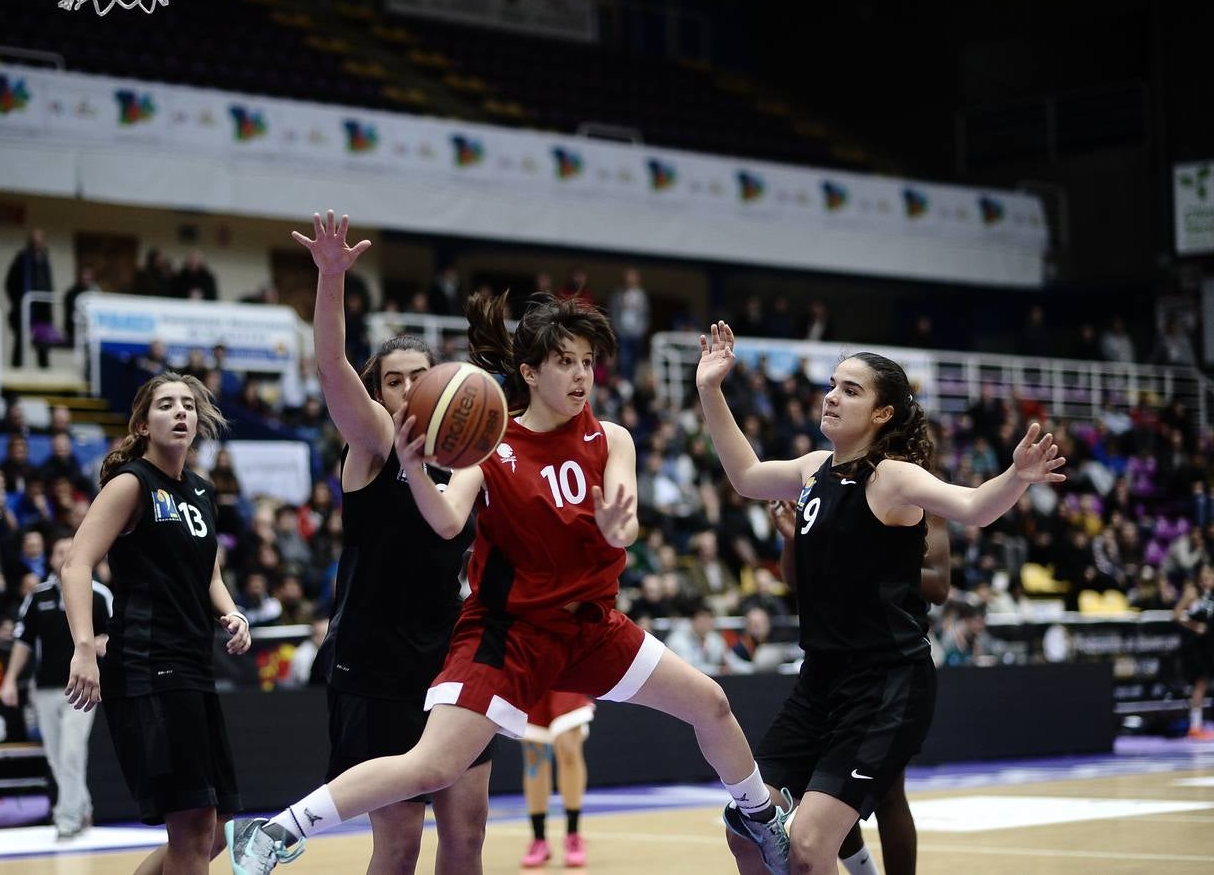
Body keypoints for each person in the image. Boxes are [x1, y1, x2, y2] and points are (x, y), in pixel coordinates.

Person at [227, 216, 792, 875]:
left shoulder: (613, 437)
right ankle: (275, 831)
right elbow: (444, 522)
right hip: (508, 634)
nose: (582, 376)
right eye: (565, 363)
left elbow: (626, 522)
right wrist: (412, 466)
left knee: (712, 703)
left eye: (588, 362)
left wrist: (618, 529)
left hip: (591, 626)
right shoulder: (489, 448)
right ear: (528, 370)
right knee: (431, 768)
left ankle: (756, 814)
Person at [695, 320, 1065, 874]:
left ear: (882, 413)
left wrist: (1015, 475)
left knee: (809, 848)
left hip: (886, 683)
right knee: (745, 833)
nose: (832, 396)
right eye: (832, 384)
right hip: (819, 681)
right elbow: (746, 475)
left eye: (851, 389)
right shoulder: (812, 469)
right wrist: (710, 389)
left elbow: (972, 507)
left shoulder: (893, 478)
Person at [280, 211, 491, 875]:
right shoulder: (373, 441)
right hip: (373, 668)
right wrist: (331, 280)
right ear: (381, 391)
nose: (409, 388)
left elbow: (460, 529)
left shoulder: (468, 458)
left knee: (466, 836)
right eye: (396, 379)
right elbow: (330, 363)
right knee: (398, 844)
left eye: (420, 375)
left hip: (450, 662)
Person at [60, 372, 253, 875]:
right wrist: (84, 648)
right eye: (166, 405)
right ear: (144, 424)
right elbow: (76, 564)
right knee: (192, 829)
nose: (181, 412)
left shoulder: (202, 491)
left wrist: (231, 611)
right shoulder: (131, 483)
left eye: (188, 404)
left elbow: (209, 571)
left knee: (212, 830)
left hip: (192, 664)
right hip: (148, 666)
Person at [769, 498, 951, 875]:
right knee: (826, 791)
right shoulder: (830, 497)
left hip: (885, 666)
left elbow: (940, 584)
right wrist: (794, 540)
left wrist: (864, 561)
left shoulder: (919, 497)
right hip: (828, 666)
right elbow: (794, 580)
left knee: (888, 794)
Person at [0, 535, 113, 839]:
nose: (66, 555)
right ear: (52, 559)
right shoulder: (38, 596)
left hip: (84, 686)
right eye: (60, 551)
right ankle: (83, 805)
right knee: (55, 755)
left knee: (72, 752)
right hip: (45, 687)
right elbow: (23, 641)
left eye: (72, 549)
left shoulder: (99, 594)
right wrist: (10, 680)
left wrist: (105, 642)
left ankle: (68, 817)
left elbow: (117, 633)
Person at [519, 691, 594, 868]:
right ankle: (539, 839)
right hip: (532, 670)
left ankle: (573, 834)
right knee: (533, 755)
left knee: (568, 748)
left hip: (565, 669)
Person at [4, 229, 54, 369]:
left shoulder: (45, 259)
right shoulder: (22, 258)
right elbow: (9, 283)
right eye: (34, 241)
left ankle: (44, 369)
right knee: (21, 339)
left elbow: (48, 283)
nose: (37, 244)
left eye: (40, 241)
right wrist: (18, 301)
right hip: (25, 305)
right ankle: (16, 368)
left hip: (43, 306)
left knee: (42, 340)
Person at [1175, 563, 1214, 739]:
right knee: (1200, 683)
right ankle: (1195, 726)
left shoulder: (1210, 596)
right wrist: (1194, 625)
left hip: (1208, 646)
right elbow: (1176, 614)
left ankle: (1198, 724)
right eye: (1205, 576)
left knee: (1204, 683)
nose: (1208, 579)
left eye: (1210, 576)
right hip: (1194, 646)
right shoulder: (1192, 593)